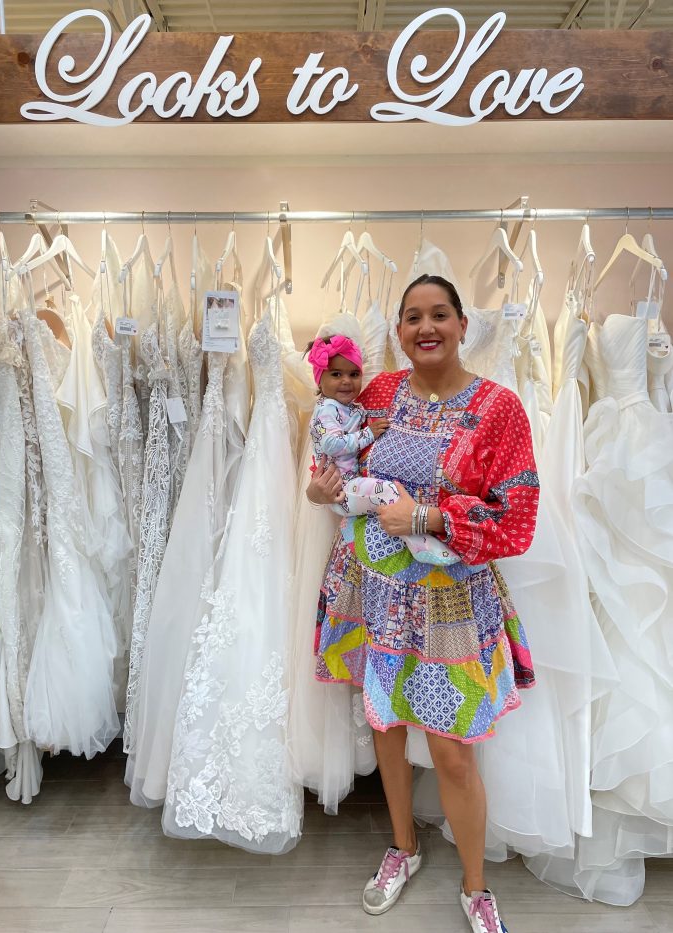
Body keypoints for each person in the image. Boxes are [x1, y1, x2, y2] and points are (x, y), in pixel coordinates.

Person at [307, 274, 539, 931]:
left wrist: (429, 517)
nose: (426, 327)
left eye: (439, 314)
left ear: (463, 325)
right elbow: (336, 467)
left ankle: (475, 887)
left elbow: (517, 517)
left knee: (452, 750)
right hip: (375, 589)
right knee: (385, 725)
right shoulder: (376, 393)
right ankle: (403, 847)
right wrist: (319, 491)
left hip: (449, 603)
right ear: (399, 331)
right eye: (412, 317)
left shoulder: (498, 408)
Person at [307, 333, 460, 566]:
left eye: (354, 374)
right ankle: (420, 544)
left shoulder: (347, 406)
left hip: (349, 487)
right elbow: (331, 444)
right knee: (388, 491)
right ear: (320, 380)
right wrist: (369, 434)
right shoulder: (328, 409)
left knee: (387, 495)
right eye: (336, 374)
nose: (346, 381)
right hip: (342, 490)